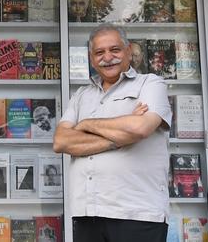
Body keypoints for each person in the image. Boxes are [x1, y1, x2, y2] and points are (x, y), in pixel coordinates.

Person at [53, 25, 172, 241]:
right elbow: (61, 141)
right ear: (91, 59)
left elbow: (141, 128)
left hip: (137, 214)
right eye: (99, 52)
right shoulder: (82, 95)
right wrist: (121, 137)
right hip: (87, 214)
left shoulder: (151, 84)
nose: (108, 57)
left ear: (128, 51)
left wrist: (85, 124)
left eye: (115, 50)